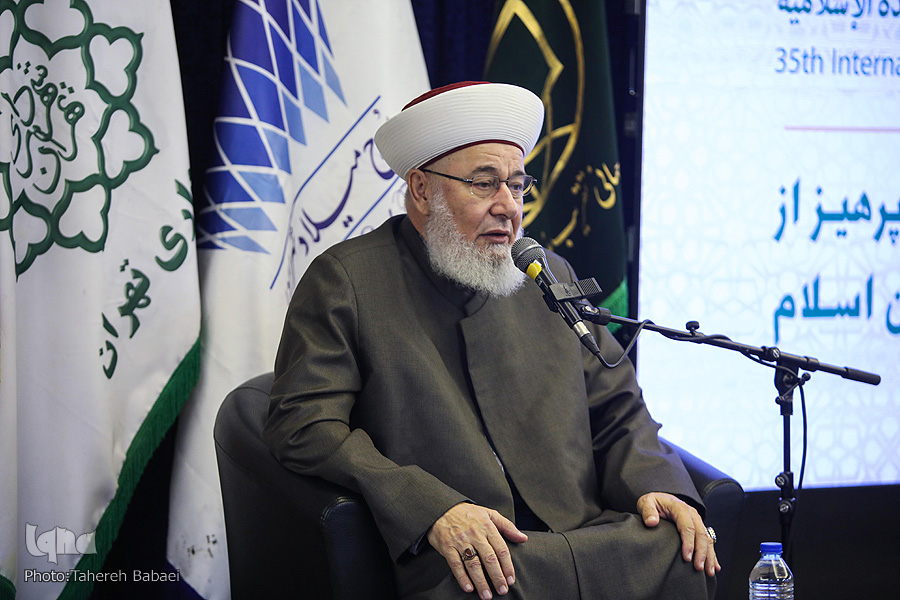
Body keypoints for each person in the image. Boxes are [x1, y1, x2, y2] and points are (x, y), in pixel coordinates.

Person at [263, 82, 719, 599]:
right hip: (468, 552)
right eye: (484, 184)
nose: (508, 206)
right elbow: (303, 425)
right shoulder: (347, 280)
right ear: (421, 189)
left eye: (517, 186)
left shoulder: (545, 275)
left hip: (583, 532)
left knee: (683, 551)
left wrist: (656, 484)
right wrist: (429, 507)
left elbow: (618, 408)